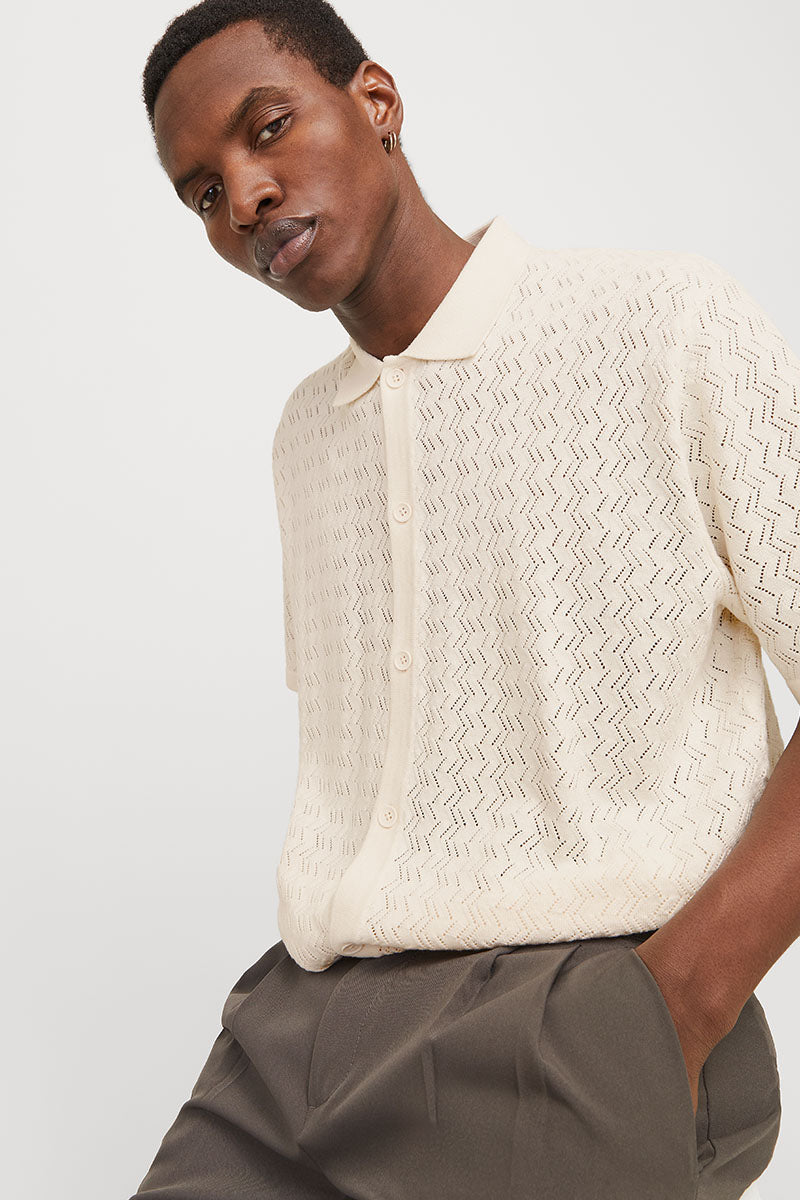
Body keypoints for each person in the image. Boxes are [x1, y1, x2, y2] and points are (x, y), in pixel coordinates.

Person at [131, 1, 799, 1197]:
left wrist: (676, 1002)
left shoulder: (661, 327)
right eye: (202, 193)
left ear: (376, 103)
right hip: (293, 1036)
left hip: (572, 1021)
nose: (245, 200)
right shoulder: (304, 437)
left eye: (267, 129)